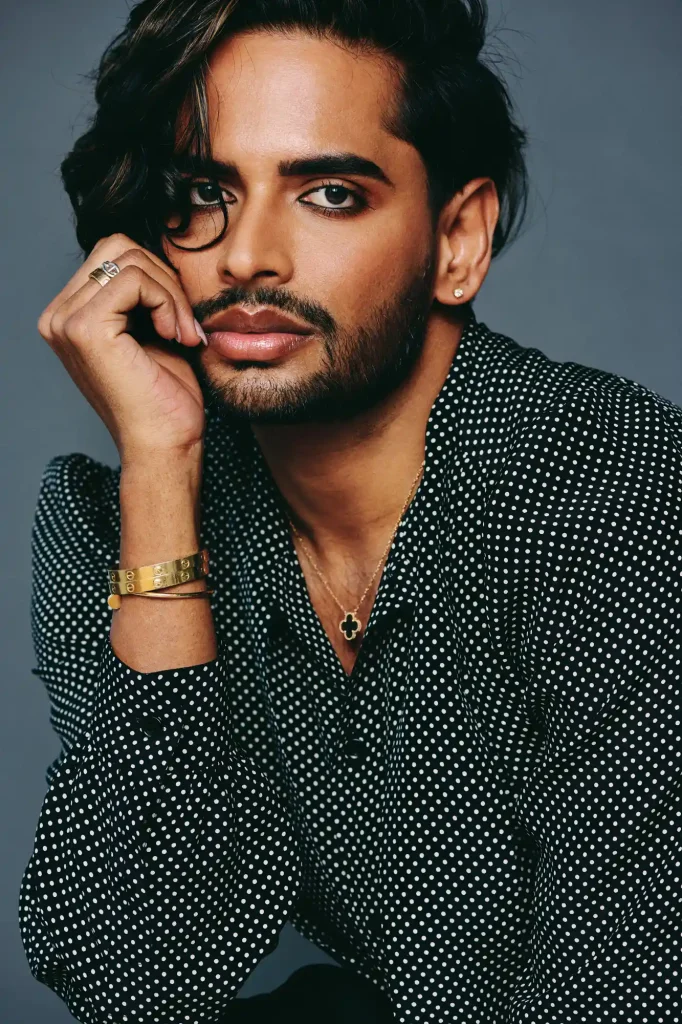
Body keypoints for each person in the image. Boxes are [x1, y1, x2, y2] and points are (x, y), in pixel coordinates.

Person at [17, 1, 682, 1022]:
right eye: (203, 193)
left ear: (457, 240)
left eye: (330, 193)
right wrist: (160, 467)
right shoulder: (118, 524)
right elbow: (140, 982)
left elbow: (623, 985)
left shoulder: (606, 485)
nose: (247, 257)